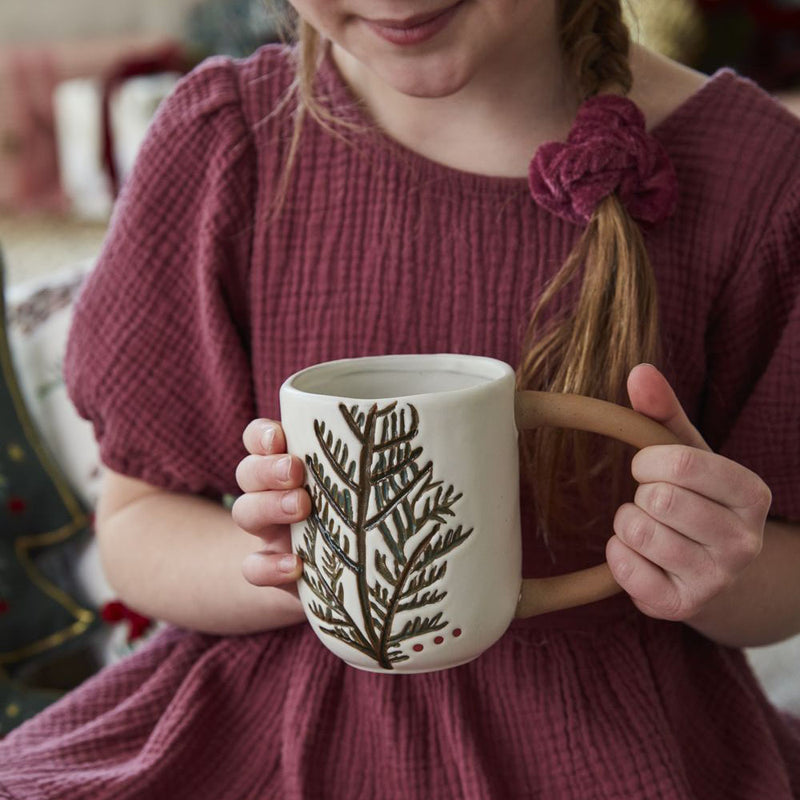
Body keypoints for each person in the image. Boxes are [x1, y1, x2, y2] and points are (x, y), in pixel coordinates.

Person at [1, 1, 799, 797]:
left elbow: (786, 576)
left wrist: (719, 561)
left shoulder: (758, 176)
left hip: (612, 739)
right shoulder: (227, 140)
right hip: (261, 723)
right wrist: (289, 570)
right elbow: (136, 526)